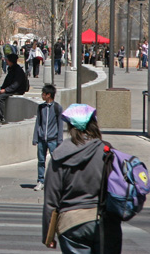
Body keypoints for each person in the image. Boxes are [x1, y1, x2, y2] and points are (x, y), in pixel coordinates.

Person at [42, 104, 122, 253]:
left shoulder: (60, 154)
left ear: (70, 126)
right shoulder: (107, 150)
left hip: (72, 224)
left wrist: (48, 235)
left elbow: (51, 199)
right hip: (105, 222)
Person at [33, 84, 64, 192]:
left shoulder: (57, 108)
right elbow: (38, 123)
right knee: (41, 161)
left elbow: (60, 125)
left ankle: (56, 182)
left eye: (43, 94)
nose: (42, 95)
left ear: (48, 95)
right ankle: (40, 181)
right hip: (42, 139)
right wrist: (35, 137)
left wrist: (60, 140)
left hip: (53, 140)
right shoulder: (41, 107)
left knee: (55, 161)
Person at [0, 52, 29, 125]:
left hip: (17, 90)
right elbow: (7, 82)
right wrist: (1, 89)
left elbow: (16, 85)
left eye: (7, 60)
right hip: (11, 89)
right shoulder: (11, 69)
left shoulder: (18, 70)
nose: (6, 61)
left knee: (1, 97)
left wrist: (5, 90)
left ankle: (1, 117)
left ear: (11, 61)